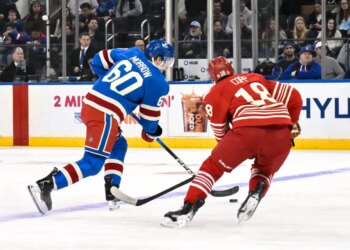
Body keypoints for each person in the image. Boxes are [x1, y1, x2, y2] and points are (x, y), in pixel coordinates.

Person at [28, 39, 175, 215]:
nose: (167, 65)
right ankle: (47, 184)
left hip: (91, 104)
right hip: (104, 115)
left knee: (119, 145)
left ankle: (111, 190)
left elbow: (98, 60)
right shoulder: (159, 83)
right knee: (92, 163)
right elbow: (150, 121)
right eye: (166, 60)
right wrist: (151, 133)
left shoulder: (131, 52)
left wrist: (108, 82)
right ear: (157, 58)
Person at [161, 56, 302, 228]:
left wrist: (242, 148)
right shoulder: (255, 77)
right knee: (264, 170)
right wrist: (292, 122)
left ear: (212, 76)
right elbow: (294, 96)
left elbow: (221, 133)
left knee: (211, 167)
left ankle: (188, 208)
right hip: (281, 132)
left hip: (247, 132)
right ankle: (257, 190)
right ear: (231, 69)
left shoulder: (214, 93)